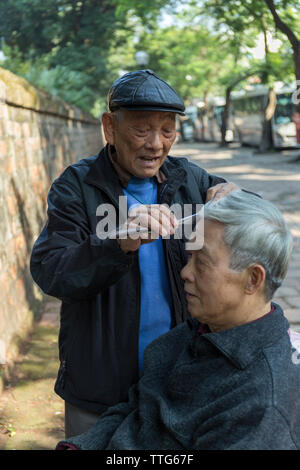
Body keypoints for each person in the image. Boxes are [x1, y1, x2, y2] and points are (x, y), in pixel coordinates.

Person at [30, 69, 238, 438]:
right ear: (110, 127)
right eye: (142, 130)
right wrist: (116, 243)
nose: (156, 144)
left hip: (177, 380)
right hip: (100, 385)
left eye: (167, 130)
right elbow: (51, 270)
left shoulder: (186, 178)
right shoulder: (77, 186)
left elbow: (241, 205)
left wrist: (231, 193)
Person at [56, 190, 300, 450]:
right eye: (189, 257)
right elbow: (136, 407)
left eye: (201, 262)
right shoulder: (195, 332)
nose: (185, 272)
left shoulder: (262, 406)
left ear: (253, 279)